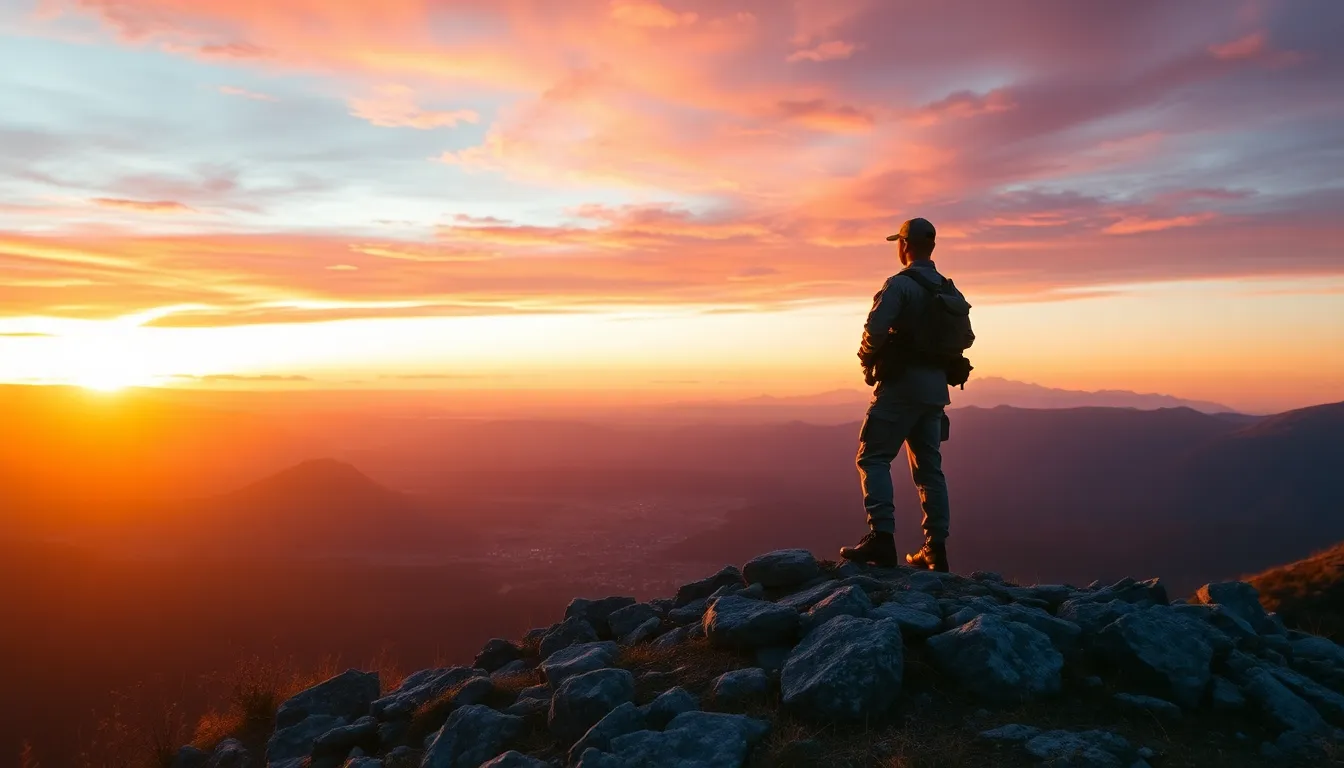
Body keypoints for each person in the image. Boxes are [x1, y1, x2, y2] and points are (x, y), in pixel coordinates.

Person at [840, 217, 972, 572]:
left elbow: (875, 327)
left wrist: (867, 356)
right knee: (930, 469)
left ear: (904, 244)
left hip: (901, 385)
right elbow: (966, 338)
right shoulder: (950, 290)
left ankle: (881, 538)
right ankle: (935, 548)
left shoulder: (899, 285)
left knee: (873, 457)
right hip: (935, 391)